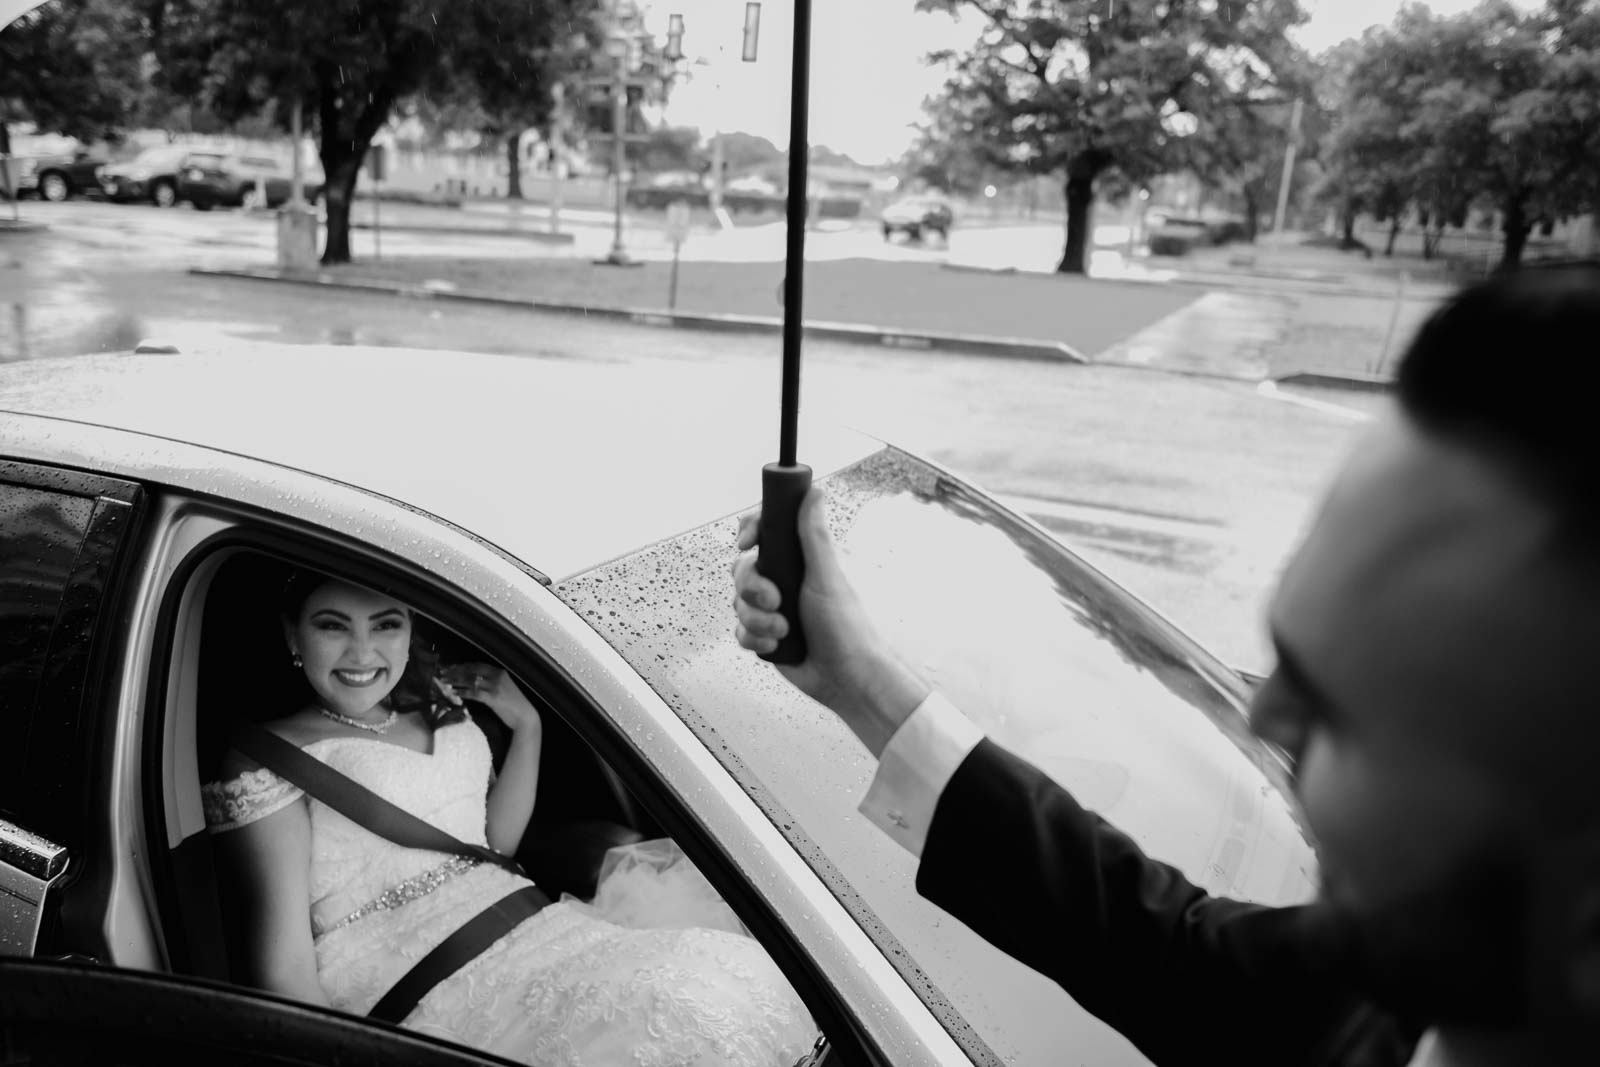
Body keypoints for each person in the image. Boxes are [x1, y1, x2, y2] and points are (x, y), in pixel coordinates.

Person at [731, 262, 1600, 1067]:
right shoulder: (1391, 981)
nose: (1259, 718)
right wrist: (858, 680)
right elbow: (1161, 945)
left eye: (1339, 712)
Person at [202, 568, 816, 1066]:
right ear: (292, 635)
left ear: (409, 624)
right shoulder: (265, 760)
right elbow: (281, 970)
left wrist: (528, 727)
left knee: (729, 980)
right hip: (416, 983)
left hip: (531, 926)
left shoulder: (437, 702)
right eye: (331, 627)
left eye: (385, 624)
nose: (362, 653)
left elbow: (493, 844)